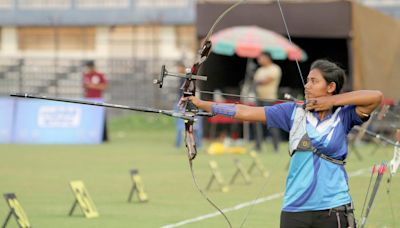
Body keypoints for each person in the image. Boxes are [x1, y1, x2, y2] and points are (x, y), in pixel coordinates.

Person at [182, 59, 383, 228]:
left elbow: (376, 97)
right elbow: (245, 111)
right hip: (295, 209)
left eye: (314, 81)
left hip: (334, 208)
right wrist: (203, 104)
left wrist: (332, 102)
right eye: (307, 80)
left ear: (330, 87)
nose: (307, 85)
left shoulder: (344, 116)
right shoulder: (292, 112)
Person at [253, 52, 282, 152]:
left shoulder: (275, 68)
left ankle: (276, 146)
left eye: (261, 58)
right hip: (259, 99)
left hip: (269, 100)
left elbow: (265, 80)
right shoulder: (259, 70)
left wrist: (259, 81)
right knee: (257, 124)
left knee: (272, 123)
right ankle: (258, 146)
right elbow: (255, 81)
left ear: (268, 58)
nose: (259, 60)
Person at [83, 60, 108, 142]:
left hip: (98, 100)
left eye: (90, 66)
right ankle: (88, 135)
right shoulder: (86, 75)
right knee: (89, 118)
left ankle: (103, 137)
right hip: (88, 100)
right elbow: (85, 86)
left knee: (100, 119)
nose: (88, 68)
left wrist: (92, 86)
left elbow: (104, 86)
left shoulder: (100, 75)